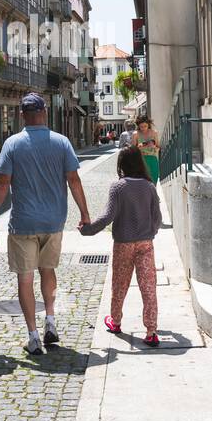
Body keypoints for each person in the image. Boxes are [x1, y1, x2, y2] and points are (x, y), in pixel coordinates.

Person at [0, 92, 90, 356]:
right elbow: (74, 180)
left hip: (23, 223)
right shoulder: (62, 142)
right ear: (45, 112)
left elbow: (2, 184)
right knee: (48, 270)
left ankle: (33, 335)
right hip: (53, 221)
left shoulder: (12, 144)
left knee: (25, 278)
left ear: (22, 115)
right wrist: (85, 214)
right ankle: (51, 321)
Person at [80, 146, 163, 347]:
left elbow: (108, 216)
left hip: (123, 244)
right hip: (145, 243)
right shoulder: (149, 187)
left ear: (122, 165)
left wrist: (88, 230)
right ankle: (151, 331)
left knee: (119, 284)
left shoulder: (118, 187)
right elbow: (158, 217)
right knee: (148, 287)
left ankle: (115, 322)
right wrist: (150, 232)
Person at [135, 117, 161, 184]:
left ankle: (152, 194)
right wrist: (139, 147)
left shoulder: (154, 133)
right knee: (142, 182)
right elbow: (132, 149)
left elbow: (158, 147)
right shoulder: (136, 134)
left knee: (153, 181)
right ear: (138, 126)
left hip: (152, 159)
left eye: (145, 126)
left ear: (148, 125)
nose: (143, 128)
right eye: (141, 126)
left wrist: (154, 146)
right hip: (141, 160)